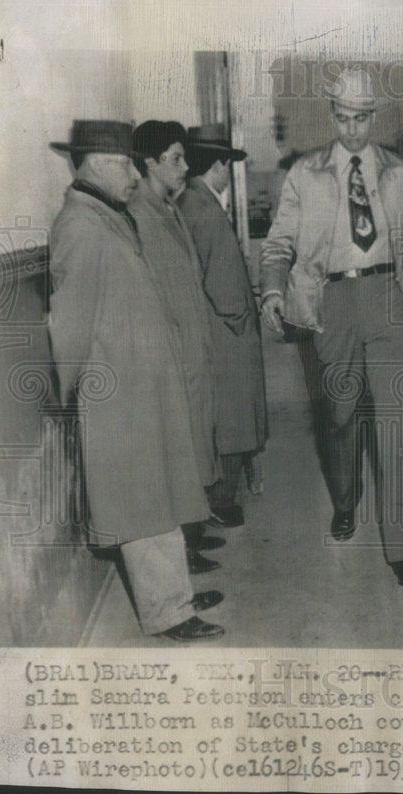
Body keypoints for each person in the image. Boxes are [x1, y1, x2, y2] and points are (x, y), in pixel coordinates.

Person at [47, 120, 223, 641]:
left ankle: (177, 592)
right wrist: (77, 397)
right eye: (126, 163)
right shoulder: (80, 226)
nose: (134, 173)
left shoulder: (107, 215)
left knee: (158, 496)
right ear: (99, 165)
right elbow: (70, 322)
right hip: (119, 396)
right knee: (142, 504)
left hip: (144, 387)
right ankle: (168, 611)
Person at [259, 68, 403, 588]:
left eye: (362, 119)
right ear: (331, 115)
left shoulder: (397, 171)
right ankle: (344, 500)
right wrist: (271, 289)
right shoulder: (304, 173)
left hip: (386, 296)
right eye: (343, 118)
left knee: (400, 421)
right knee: (338, 417)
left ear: (373, 117)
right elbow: (278, 244)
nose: (353, 130)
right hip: (331, 298)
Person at [130, 120, 225, 576]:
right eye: (175, 158)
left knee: (195, 454)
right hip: (174, 359)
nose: (185, 167)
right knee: (180, 460)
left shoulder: (168, 209)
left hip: (193, 354)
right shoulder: (140, 214)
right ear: (149, 162)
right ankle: (181, 555)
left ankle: (189, 540)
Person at [180, 124, 268, 527]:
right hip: (225, 334)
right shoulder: (206, 208)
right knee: (233, 422)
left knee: (222, 422)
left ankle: (218, 502)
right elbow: (226, 285)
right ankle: (222, 503)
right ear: (217, 165)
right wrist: (241, 320)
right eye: (226, 165)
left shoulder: (188, 202)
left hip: (209, 330)